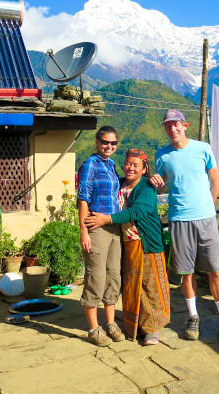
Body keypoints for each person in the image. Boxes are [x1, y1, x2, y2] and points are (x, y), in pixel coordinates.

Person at [150, 109, 219, 345]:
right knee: (186, 273)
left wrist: (207, 206)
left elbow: (216, 180)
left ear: (185, 125)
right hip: (179, 219)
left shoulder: (203, 148)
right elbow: (159, 188)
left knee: (215, 270)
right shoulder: (162, 155)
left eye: (176, 124)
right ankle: (193, 317)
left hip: (206, 218)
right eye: (168, 126)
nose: (173, 129)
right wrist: (155, 182)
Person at [84, 149, 171, 346]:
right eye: (128, 163)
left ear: (144, 169)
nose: (131, 167)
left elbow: (138, 211)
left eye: (136, 165)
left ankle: (152, 330)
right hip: (127, 244)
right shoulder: (120, 183)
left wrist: (107, 219)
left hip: (147, 243)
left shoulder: (147, 186)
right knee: (132, 287)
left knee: (150, 288)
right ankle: (136, 324)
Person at [77, 126, 125, 346]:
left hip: (114, 227)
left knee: (113, 275)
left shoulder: (112, 166)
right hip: (96, 227)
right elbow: (83, 198)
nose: (109, 147)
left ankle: (110, 323)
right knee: (96, 277)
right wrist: (84, 232)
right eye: (105, 142)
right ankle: (93, 328)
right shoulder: (91, 164)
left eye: (113, 143)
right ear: (97, 142)